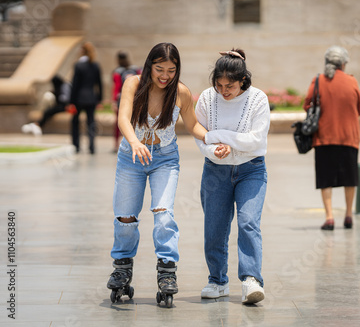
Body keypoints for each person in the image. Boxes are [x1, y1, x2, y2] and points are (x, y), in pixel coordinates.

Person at [106, 42, 207, 302]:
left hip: (164, 159)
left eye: (171, 70)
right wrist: (135, 142)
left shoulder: (181, 93)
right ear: (150, 65)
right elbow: (123, 118)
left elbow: (193, 126)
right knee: (125, 217)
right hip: (131, 158)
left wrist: (216, 140)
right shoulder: (133, 83)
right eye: (159, 69)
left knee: (163, 215)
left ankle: (167, 271)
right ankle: (122, 268)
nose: (165, 76)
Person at [194, 49, 270, 305]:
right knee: (214, 228)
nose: (224, 91)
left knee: (248, 222)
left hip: (252, 169)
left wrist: (220, 138)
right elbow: (200, 134)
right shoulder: (206, 98)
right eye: (219, 85)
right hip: (215, 170)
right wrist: (214, 149)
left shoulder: (258, 99)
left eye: (231, 85)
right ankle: (217, 281)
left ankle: (251, 281)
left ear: (243, 80)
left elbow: (256, 140)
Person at [304, 46, 360, 231]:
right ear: (343, 64)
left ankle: (329, 217)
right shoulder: (352, 81)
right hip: (348, 137)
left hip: (324, 137)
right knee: (350, 178)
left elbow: (307, 105)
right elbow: (359, 108)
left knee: (326, 179)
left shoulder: (318, 81)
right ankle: (348, 215)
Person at [69, 42, 103, 154]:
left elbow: (75, 85)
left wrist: (71, 101)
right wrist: (99, 99)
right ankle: (92, 147)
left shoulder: (78, 65)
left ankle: (76, 145)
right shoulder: (95, 65)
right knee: (91, 123)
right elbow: (99, 84)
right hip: (91, 98)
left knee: (75, 122)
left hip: (79, 98)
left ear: (82, 51)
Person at [111, 51, 142, 152]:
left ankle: (116, 145)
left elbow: (117, 87)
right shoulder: (135, 69)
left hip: (122, 99)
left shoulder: (117, 72)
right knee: (135, 121)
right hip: (135, 98)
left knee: (120, 122)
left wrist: (114, 102)